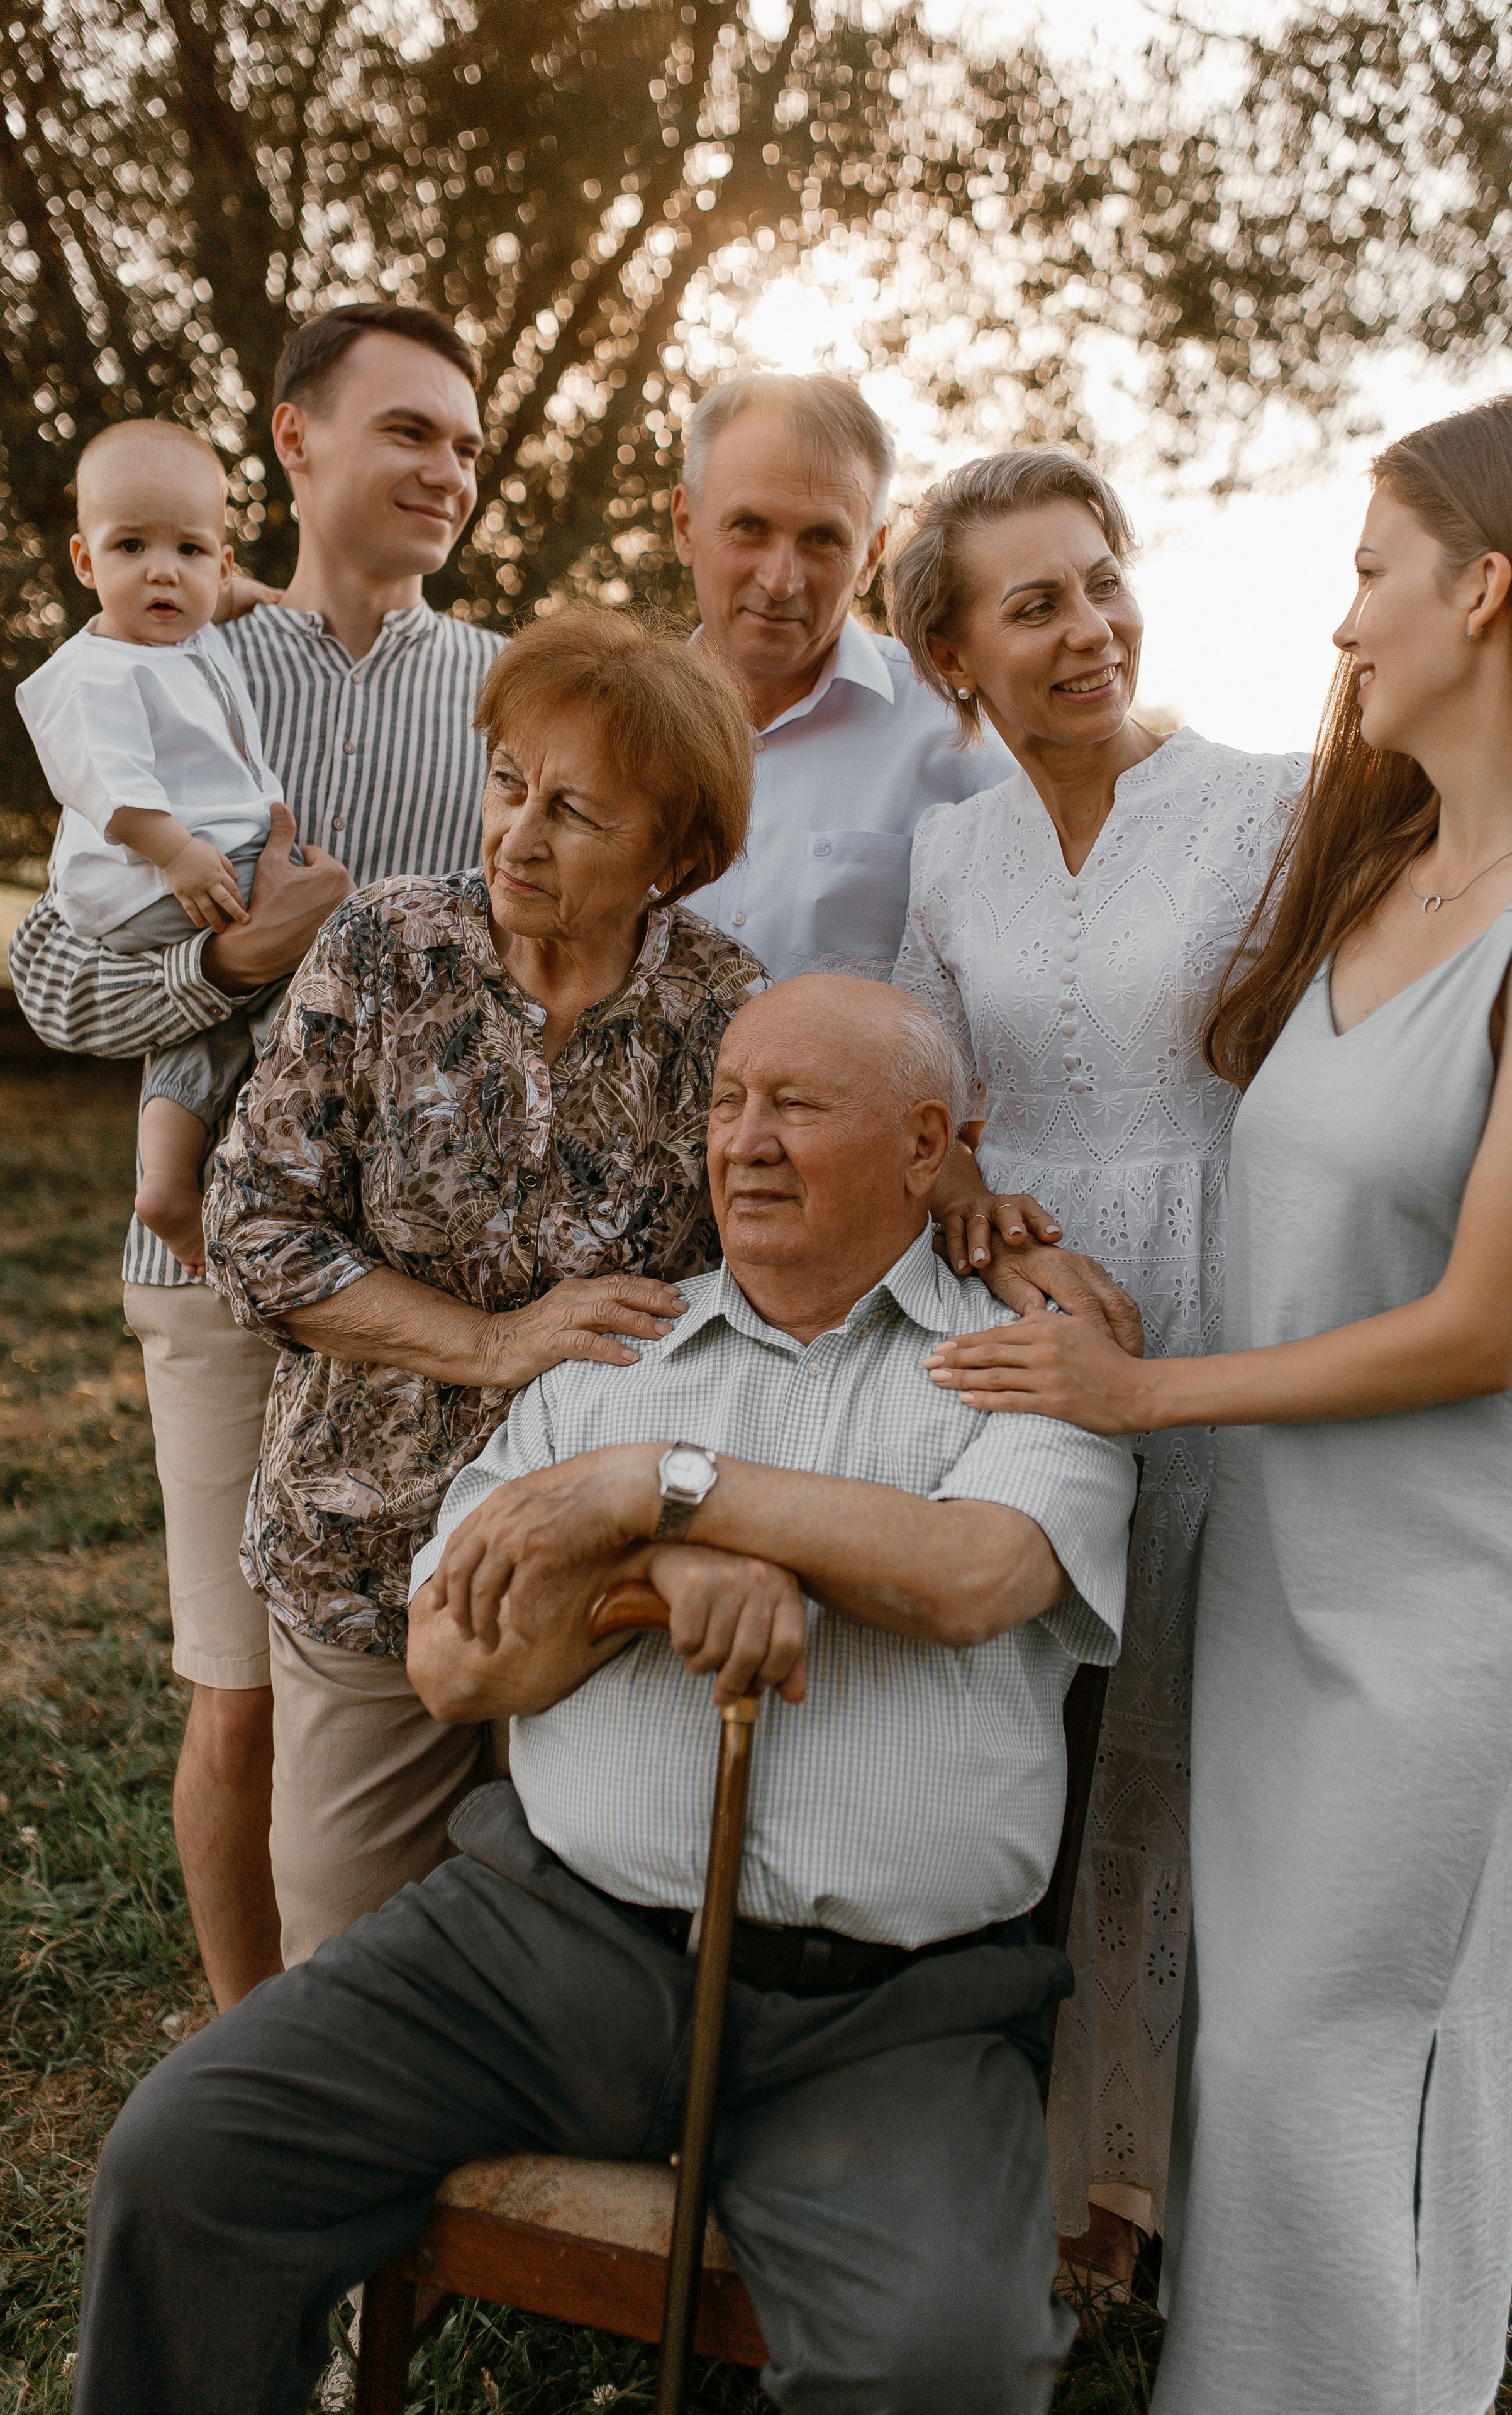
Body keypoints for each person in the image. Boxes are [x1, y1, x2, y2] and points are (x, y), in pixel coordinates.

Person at [74, 975, 1137, 2415]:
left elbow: (968, 1574)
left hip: (888, 2016)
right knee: (187, 2157)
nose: (743, 1141)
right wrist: (641, 1581)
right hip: (534, 1943)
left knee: (941, 2361)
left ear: (925, 1142)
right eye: (723, 1103)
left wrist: (665, 1487)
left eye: (797, 1106)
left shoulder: (1023, 1364)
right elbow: (454, 1667)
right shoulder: (612, 1355)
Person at [923, 392, 1512, 2414]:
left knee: (1342, 2030)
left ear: (1480, 588)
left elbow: (1489, 1322)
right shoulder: (1382, 852)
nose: (1338, 624)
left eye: (1368, 573)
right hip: (1291, 1522)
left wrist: (1140, 1393)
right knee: (1264, 2033)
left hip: (1441, 1559)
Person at [8, 301, 500, 2007]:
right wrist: (234, 956)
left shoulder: (505, 690)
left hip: (433, 1299)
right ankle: (241, 2060)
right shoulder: (178, 664)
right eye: (406, 430)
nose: (445, 466)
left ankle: (407, 2066)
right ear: (297, 443)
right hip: (213, 1270)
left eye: (461, 436)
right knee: (237, 1690)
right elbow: (55, 974)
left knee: (432, 1678)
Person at [886, 444, 1306, 2265]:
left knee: (1191, 1722)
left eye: (1104, 579)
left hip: (1224, 1282)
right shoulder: (947, 847)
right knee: (1025, 1711)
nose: (1090, 629)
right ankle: (999, 2141)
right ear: (956, 656)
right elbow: (925, 1090)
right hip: (1020, 1312)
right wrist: (971, 1183)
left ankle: (1140, 2175)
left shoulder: (1269, 801)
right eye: (1034, 603)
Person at [203, 608, 764, 1965]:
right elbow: (251, 1225)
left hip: (592, 1580)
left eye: (575, 812)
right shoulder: (384, 950)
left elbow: (783, 1260)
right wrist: (490, 1341)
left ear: (673, 856)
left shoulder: (722, 1010)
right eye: (508, 782)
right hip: (364, 1547)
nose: (517, 834)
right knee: (341, 1954)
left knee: (565, 1972)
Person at [18, 421, 290, 1275]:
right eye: (131, 546)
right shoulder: (97, 671)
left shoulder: (187, 629)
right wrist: (175, 853)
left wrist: (266, 598)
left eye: (189, 548)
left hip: (196, 867)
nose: (163, 570)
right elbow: (110, 785)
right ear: (85, 562)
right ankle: (304, 1113)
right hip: (164, 875)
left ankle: (169, 1181)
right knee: (319, 950)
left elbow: (223, 600)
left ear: (220, 560)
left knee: (206, 1027)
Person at [670, 370, 1016, 979]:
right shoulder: (612, 727)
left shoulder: (959, 736)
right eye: (750, 527)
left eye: (823, 539)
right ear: (684, 525)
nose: (781, 581)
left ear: (870, 558)